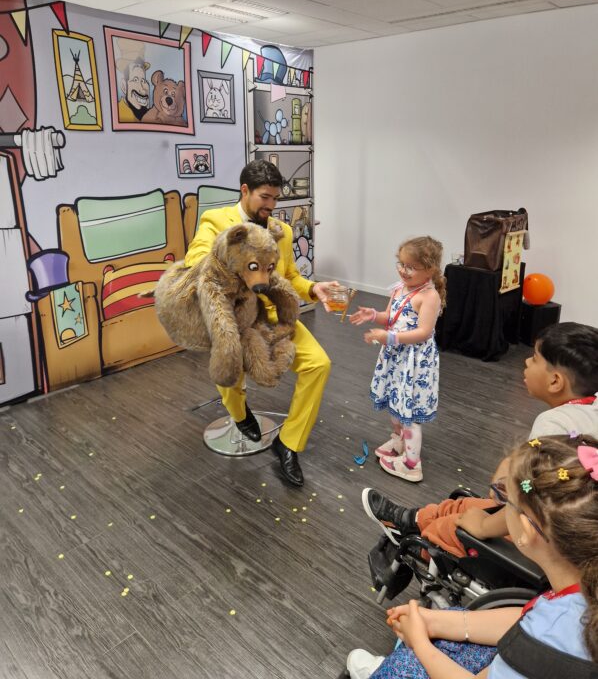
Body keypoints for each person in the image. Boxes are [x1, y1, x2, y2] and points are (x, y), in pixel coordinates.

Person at [347, 434, 598, 679]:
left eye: (506, 502)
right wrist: (437, 622)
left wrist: (420, 643)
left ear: (526, 532)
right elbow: (529, 616)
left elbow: (538, 630)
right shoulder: (574, 595)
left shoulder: (550, 636)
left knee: (401, 667)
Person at [361, 322, 598, 556]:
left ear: (555, 381)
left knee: (453, 526)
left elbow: (531, 504)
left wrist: (485, 525)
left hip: (546, 537)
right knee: (465, 506)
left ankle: (415, 547)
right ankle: (411, 520)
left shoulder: (552, 424)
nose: (526, 362)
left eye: (535, 358)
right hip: (570, 526)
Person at [184, 160, 338, 487]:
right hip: (236, 317)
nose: (271, 206)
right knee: (229, 366)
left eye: (275, 199)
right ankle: (240, 416)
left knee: (319, 364)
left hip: (274, 317)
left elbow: (290, 277)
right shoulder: (216, 221)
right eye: (265, 197)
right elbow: (195, 261)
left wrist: (313, 289)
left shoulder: (282, 231)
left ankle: (289, 442)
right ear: (245, 190)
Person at [350, 237, 445, 482]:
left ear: (430, 270)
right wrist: (373, 315)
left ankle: (412, 465)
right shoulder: (399, 288)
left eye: (411, 267)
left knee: (408, 412)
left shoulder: (429, 296)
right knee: (395, 404)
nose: (403, 270)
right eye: (401, 264)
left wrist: (389, 338)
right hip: (396, 357)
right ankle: (400, 443)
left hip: (414, 362)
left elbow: (424, 332)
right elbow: (390, 316)